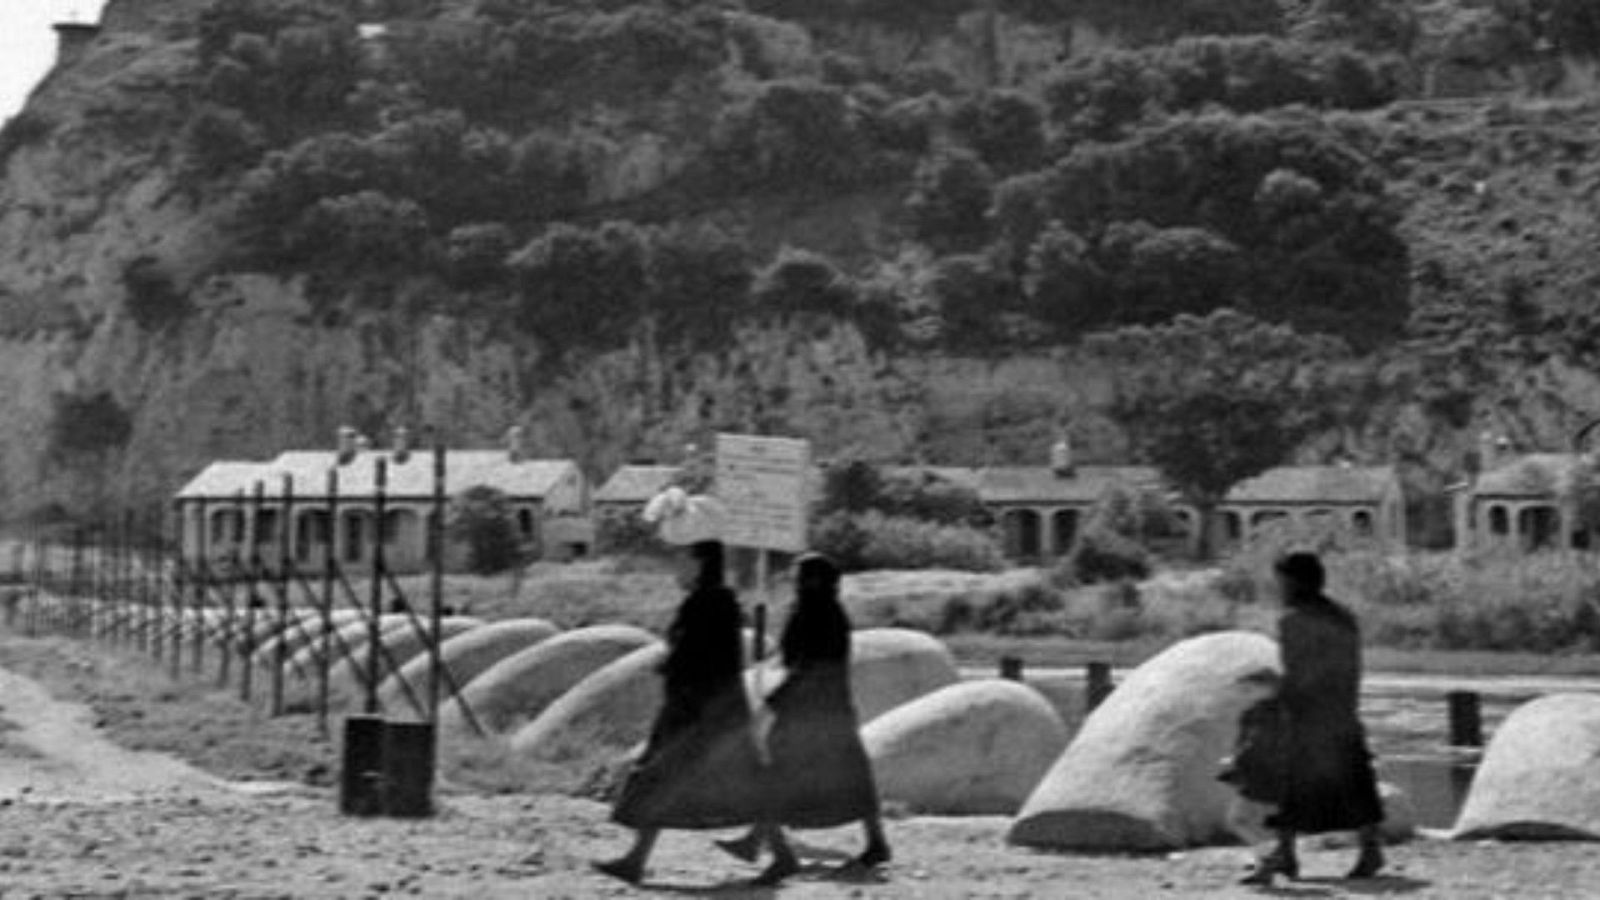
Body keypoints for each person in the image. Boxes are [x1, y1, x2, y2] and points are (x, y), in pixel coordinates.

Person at [594, 495, 797, 886]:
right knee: (726, 777)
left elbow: (698, 659)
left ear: (698, 561)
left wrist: (671, 667)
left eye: (679, 558)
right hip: (712, 706)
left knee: (665, 774)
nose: (675, 567)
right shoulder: (715, 601)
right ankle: (781, 855)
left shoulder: (706, 604)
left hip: (698, 708)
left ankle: (636, 860)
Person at [716, 553, 891, 875]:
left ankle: (771, 849)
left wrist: (771, 704)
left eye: (798, 577)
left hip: (807, 711)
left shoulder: (815, 615)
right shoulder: (828, 612)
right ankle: (874, 842)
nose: (793, 582)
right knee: (849, 776)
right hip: (831, 708)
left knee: (777, 772)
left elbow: (805, 669)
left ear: (813, 580)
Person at [1242, 552, 1385, 886]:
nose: (1277, 588)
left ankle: (1286, 854)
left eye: (1280, 581)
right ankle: (1370, 849)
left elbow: (1299, 675)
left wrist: (1271, 687)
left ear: (1294, 582)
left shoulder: (1294, 621)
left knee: (1289, 782)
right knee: (1354, 782)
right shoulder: (1343, 617)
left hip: (1308, 713)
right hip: (1342, 711)